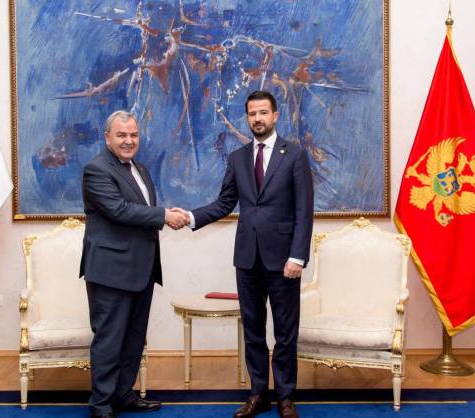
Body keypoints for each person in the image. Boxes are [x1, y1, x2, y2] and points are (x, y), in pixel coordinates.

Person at [174, 91, 314, 418]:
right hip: (247, 258)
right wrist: (191, 217)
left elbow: (303, 210)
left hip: (284, 260)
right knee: (252, 330)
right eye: (252, 114)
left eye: (263, 112)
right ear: (247, 118)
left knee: (285, 333)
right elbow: (225, 203)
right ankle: (257, 394)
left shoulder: (294, 155)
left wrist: (298, 256)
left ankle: (286, 397)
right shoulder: (238, 158)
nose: (258, 119)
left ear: (275, 116)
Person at [79, 110, 188, 418]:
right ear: (107, 138)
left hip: (141, 269)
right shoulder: (96, 169)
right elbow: (119, 210)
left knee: (133, 339)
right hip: (111, 271)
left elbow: (140, 210)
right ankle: (101, 404)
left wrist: (164, 212)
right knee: (109, 340)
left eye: (134, 135)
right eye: (122, 135)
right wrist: (164, 215)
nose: (129, 141)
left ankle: (123, 395)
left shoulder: (140, 168)